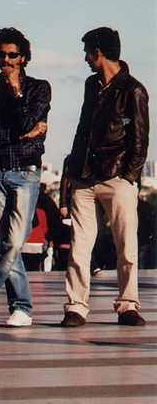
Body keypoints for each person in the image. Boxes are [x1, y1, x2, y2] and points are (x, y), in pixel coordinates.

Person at [61, 27, 149, 327]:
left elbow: (138, 138)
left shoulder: (133, 90)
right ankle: (76, 306)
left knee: (126, 244)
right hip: (84, 178)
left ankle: (128, 305)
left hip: (116, 177)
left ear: (99, 53)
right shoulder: (91, 85)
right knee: (79, 246)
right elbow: (82, 129)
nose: (85, 59)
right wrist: (72, 175)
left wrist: (129, 177)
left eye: (87, 52)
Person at [0, 28, 51, 327]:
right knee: (8, 244)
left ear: (24, 56)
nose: (6, 60)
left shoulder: (39, 89)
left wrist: (17, 92)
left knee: (14, 242)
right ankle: (21, 307)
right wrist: (20, 135)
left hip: (26, 174)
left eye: (12, 55)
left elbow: (29, 121)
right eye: (1, 55)